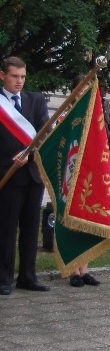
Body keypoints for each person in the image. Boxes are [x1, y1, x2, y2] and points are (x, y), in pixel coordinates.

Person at [0, 57, 50, 295]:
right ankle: (3, 277)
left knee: (31, 228)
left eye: (22, 76)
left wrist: (29, 156)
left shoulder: (36, 100)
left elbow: (43, 133)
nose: (19, 81)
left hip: (32, 175)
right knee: (7, 230)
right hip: (8, 175)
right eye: (14, 76)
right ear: (3, 75)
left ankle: (27, 276)